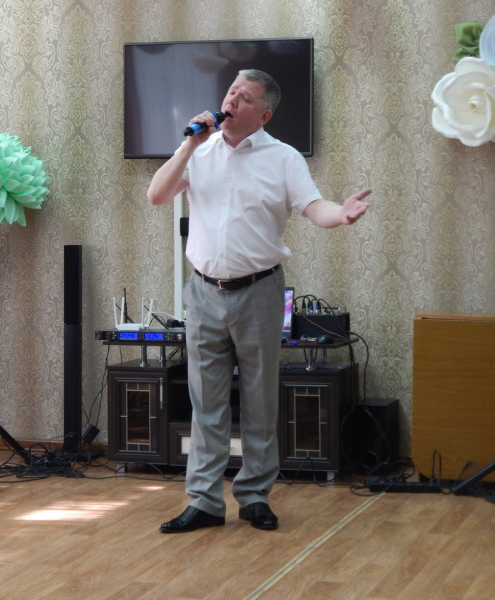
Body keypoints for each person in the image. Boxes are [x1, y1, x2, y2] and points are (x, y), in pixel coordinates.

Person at [147, 69, 370, 533]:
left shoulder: (283, 157)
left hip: (260, 292)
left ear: (264, 114)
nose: (231, 101)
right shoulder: (199, 150)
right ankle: (205, 502)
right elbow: (157, 195)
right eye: (231, 92)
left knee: (260, 400)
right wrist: (188, 144)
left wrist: (342, 214)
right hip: (203, 292)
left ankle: (254, 496)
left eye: (244, 98)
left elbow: (314, 207)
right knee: (206, 402)